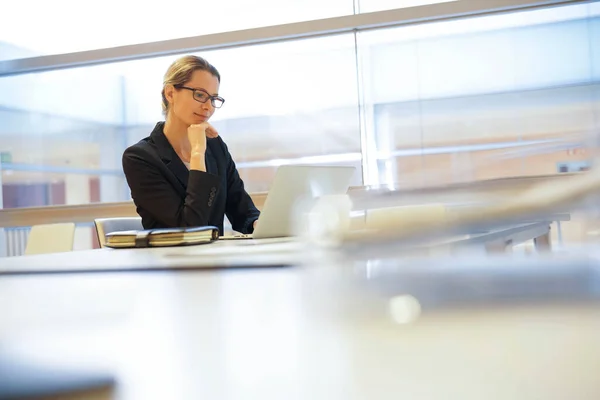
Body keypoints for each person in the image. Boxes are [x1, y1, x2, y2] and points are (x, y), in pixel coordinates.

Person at [122, 55, 260, 235]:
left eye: (213, 99)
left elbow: (243, 210)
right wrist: (197, 154)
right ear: (170, 93)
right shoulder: (140, 157)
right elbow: (191, 228)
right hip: (170, 260)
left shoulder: (215, 147)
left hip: (214, 259)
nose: (208, 107)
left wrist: (262, 224)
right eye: (200, 95)